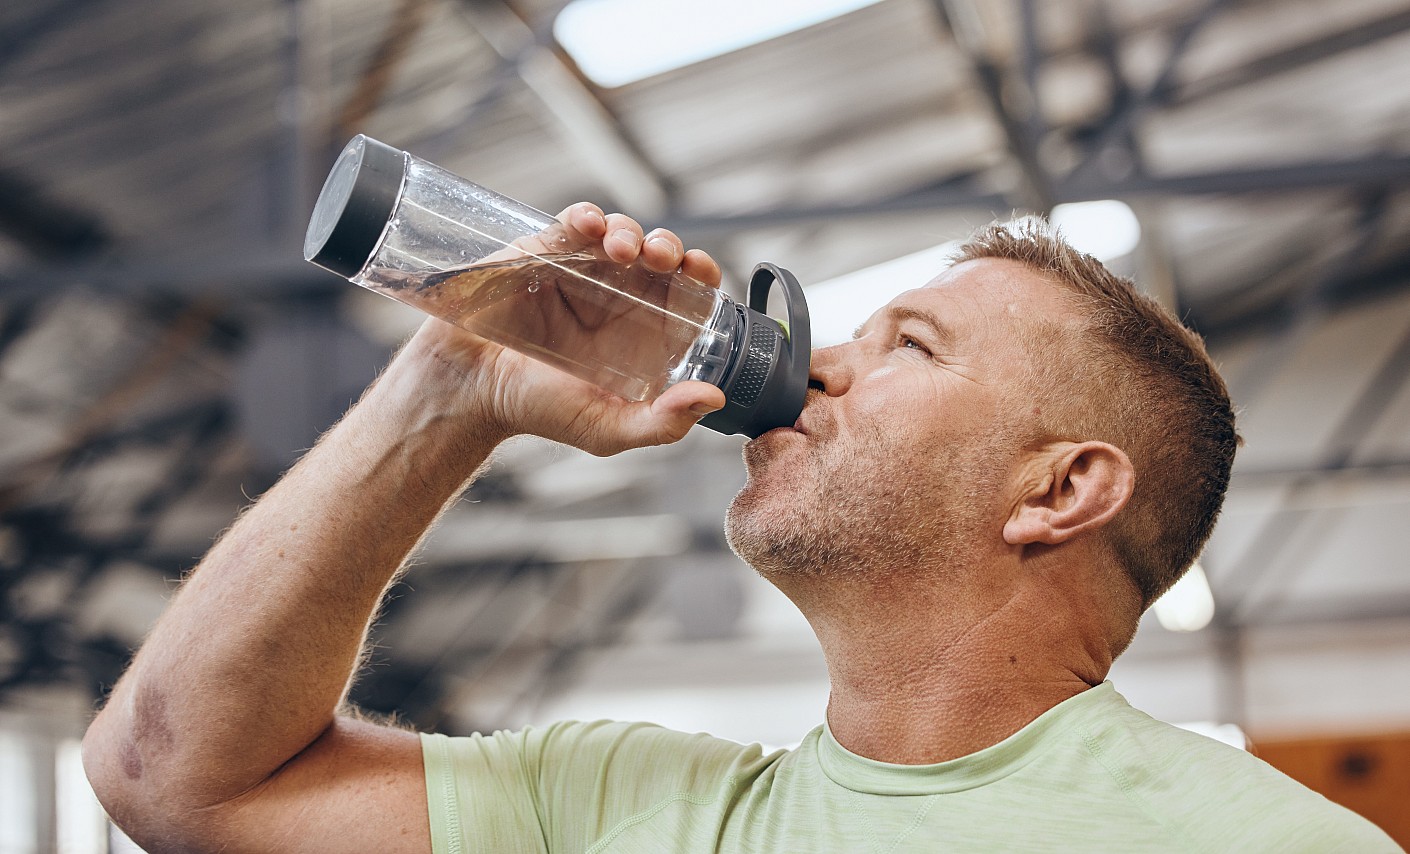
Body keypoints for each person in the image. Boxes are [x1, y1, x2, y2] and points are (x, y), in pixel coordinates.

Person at [81, 204, 1399, 853]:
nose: (817, 365)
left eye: (911, 345)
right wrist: (452, 392)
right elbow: (172, 775)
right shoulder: (619, 803)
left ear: (1057, 490)